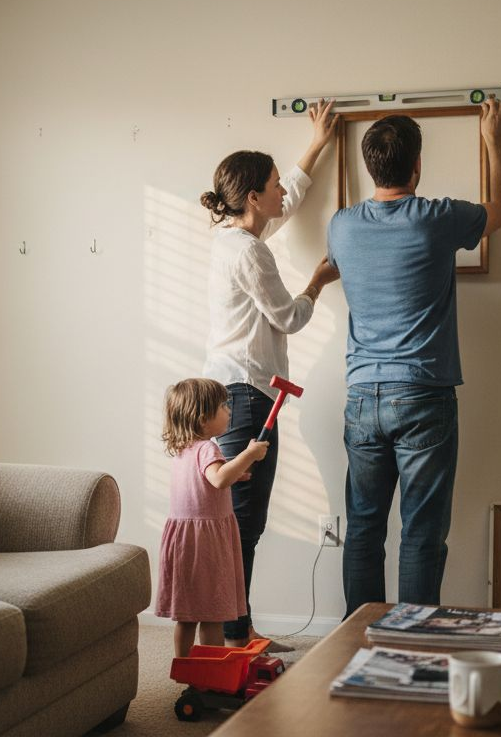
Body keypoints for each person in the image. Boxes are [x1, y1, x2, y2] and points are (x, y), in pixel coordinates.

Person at [327, 98, 501, 617]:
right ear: (416, 167)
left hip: (362, 396)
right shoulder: (436, 219)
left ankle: (354, 640)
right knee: (422, 531)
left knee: (364, 527)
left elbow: (338, 265)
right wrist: (493, 140)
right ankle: (412, 642)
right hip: (422, 394)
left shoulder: (341, 226)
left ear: (369, 166)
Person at [200, 100, 341, 648]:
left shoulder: (236, 239)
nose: (284, 193)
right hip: (246, 394)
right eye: (275, 185)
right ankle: (236, 633)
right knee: (244, 521)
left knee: (243, 520)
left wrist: (317, 143)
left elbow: (289, 200)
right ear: (254, 196)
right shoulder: (251, 255)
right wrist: (318, 282)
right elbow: (289, 317)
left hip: (237, 390)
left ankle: (238, 628)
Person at [155, 377, 269, 658]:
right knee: (212, 613)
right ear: (203, 417)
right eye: (223, 406)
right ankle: (211, 671)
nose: (228, 411)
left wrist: (235, 473)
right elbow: (218, 479)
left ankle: (182, 664)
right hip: (205, 543)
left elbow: (205, 481)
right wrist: (249, 454)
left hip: (184, 541)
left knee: (187, 614)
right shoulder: (208, 447)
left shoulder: (183, 449)